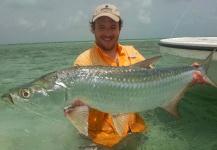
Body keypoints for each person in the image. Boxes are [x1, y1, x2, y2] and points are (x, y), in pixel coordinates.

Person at [72, 3, 206, 148]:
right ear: (93, 29)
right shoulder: (84, 62)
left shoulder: (132, 53)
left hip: (133, 133)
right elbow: (79, 109)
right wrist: (80, 106)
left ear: (119, 28)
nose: (107, 33)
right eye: (101, 27)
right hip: (97, 139)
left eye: (112, 27)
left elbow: (157, 83)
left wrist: (187, 77)